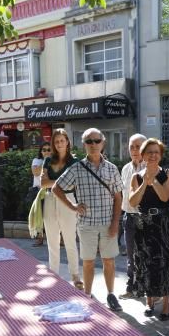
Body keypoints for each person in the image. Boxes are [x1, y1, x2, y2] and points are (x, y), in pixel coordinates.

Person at [52, 127, 125, 310]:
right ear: (83, 144)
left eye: (96, 141)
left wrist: (116, 222)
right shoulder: (77, 168)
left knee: (109, 260)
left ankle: (110, 294)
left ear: (103, 142)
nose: (93, 144)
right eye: (89, 141)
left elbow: (118, 198)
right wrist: (73, 207)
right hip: (86, 224)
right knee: (88, 261)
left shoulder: (112, 169)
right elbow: (56, 188)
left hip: (108, 223)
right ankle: (88, 294)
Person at [128, 138, 169, 319]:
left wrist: (154, 180)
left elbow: (165, 197)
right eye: (149, 152)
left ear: (161, 155)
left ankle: (166, 306)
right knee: (145, 262)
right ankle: (149, 302)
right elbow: (133, 201)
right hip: (144, 224)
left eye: (156, 152)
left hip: (162, 223)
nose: (153, 155)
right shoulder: (136, 176)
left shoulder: (168, 173)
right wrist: (144, 183)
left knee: (165, 262)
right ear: (142, 155)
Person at [40, 128, 81, 289]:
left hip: (68, 201)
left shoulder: (75, 162)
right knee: (52, 241)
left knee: (70, 240)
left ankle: (75, 276)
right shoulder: (48, 161)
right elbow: (43, 184)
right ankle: (54, 275)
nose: (59, 144)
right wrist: (61, 184)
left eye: (62, 141)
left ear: (67, 142)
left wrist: (53, 182)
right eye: (56, 141)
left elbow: (73, 184)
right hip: (50, 200)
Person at [120, 133, 147, 299]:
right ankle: (131, 287)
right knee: (131, 256)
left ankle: (147, 289)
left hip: (146, 218)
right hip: (129, 217)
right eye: (132, 146)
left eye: (138, 146)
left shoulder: (151, 168)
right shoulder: (126, 168)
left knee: (146, 255)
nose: (135, 150)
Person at [28, 142, 51, 246]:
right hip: (38, 191)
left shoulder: (55, 161)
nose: (46, 152)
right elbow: (36, 172)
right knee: (38, 214)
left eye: (48, 150)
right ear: (41, 151)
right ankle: (40, 238)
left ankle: (59, 239)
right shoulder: (36, 160)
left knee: (51, 215)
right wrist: (46, 161)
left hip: (50, 191)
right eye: (44, 150)